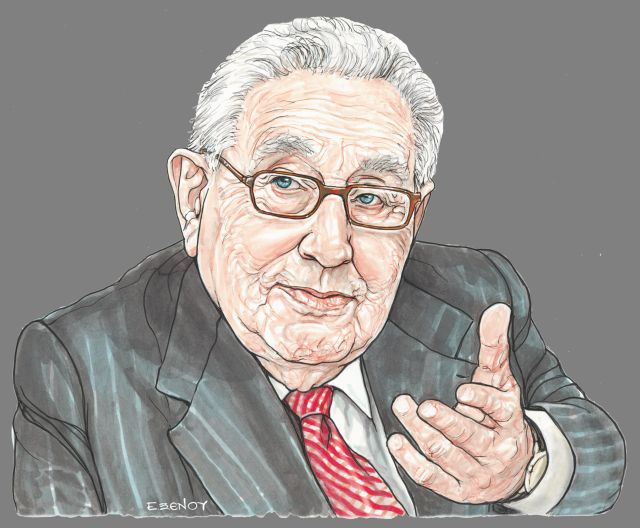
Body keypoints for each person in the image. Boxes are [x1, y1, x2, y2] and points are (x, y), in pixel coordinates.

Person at [12, 17, 624, 517]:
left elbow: (602, 457)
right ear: (195, 197)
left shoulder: (472, 298)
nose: (332, 246)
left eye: (373, 197)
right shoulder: (78, 368)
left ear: (414, 216)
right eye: (283, 183)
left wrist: (525, 467)